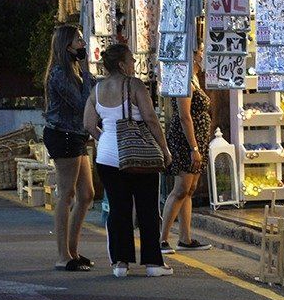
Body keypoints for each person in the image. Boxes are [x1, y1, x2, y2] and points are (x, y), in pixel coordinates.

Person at [83, 43, 171, 278]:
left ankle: (120, 264)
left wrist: (107, 139)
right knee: (147, 208)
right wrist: (164, 148)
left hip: (108, 157)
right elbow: (151, 119)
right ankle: (153, 263)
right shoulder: (134, 85)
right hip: (138, 155)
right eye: (131, 60)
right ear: (122, 64)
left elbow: (89, 124)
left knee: (118, 209)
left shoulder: (97, 89)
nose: (134, 64)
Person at [43, 24, 94, 272]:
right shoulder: (60, 74)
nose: (83, 44)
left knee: (87, 194)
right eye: (79, 41)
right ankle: (63, 256)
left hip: (76, 135)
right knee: (67, 194)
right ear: (67, 46)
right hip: (62, 134)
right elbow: (83, 103)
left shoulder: (72, 70)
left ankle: (73, 249)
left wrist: (85, 71)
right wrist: (86, 71)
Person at [160, 49, 214, 255]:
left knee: (190, 189)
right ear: (192, 56)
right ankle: (163, 238)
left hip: (197, 139)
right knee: (181, 187)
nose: (203, 55)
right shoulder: (183, 79)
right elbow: (184, 116)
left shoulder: (195, 78)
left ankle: (185, 237)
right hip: (186, 140)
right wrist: (194, 148)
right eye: (200, 52)